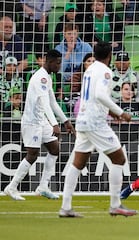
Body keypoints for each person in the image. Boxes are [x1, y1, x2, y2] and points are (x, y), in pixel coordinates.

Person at [59, 41, 137, 218]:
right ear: (110, 55)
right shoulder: (105, 71)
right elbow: (100, 95)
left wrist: (110, 111)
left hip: (83, 119)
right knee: (119, 158)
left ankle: (65, 207)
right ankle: (115, 204)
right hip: (95, 122)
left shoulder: (90, 69)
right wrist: (121, 112)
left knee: (78, 163)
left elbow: (93, 96)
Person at [3, 49, 75, 201]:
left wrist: (66, 121)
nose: (59, 66)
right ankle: (12, 187)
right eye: (58, 63)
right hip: (31, 122)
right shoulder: (40, 78)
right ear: (49, 62)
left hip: (41, 121)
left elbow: (53, 102)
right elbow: (44, 102)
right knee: (32, 155)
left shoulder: (47, 77)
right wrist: (55, 124)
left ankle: (43, 187)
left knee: (55, 148)